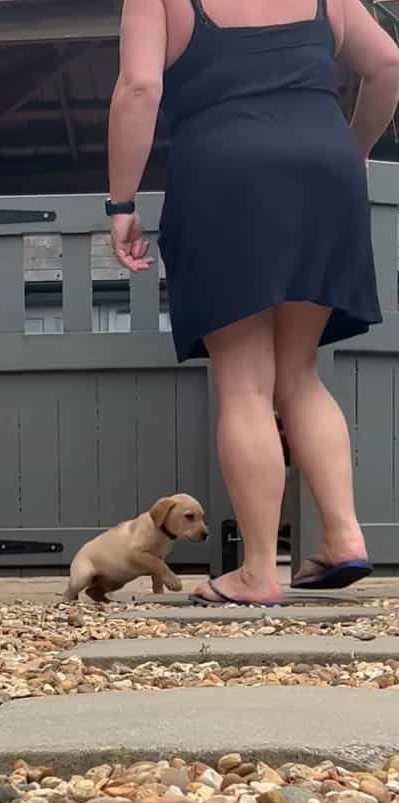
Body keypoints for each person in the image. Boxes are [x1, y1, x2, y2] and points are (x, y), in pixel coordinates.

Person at [107, 0, 399, 605]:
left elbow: (139, 86)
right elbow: (390, 63)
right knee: (299, 373)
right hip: (324, 172)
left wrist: (122, 203)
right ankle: (343, 537)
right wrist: (355, 149)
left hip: (225, 173)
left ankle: (258, 572)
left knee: (244, 384)